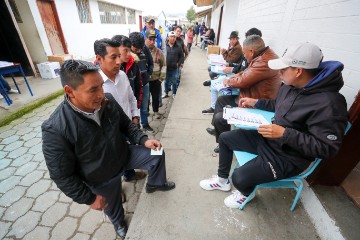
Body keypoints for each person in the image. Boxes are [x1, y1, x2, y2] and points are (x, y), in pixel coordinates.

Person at [200, 42, 348, 209]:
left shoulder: (330, 104)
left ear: (298, 71)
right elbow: (279, 105)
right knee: (225, 138)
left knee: (240, 178)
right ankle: (222, 180)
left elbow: (326, 148)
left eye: (283, 69)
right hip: (270, 138)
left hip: (289, 156)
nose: (279, 72)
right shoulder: (291, 86)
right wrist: (257, 103)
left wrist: (284, 134)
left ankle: (245, 193)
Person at [42, 59, 175, 239]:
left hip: (123, 154)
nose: (101, 94)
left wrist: (143, 140)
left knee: (157, 153)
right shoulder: (56, 128)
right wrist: (88, 198)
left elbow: (126, 125)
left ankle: (154, 184)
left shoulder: (108, 101)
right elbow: (61, 175)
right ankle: (119, 223)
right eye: (93, 90)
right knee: (113, 206)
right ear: (69, 91)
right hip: (100, 176)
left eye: (101, 86)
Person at [208, 35, 281, 153]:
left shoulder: (264, 61)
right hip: (250, 97)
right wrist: (235, 77)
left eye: (245, 53)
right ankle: (220, 136)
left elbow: (243, 81)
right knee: (221, 101)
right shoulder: (262, 56)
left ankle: (225, 142)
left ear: (251, 52)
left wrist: (229, 81)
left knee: (219, 118)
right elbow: (246, 73)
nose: (244, 56)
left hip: (256, 104)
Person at [129, 32, 154, 133]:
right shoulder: (126, 54)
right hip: (133, 86)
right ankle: (136, 127)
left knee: (144, 107)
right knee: (134, 109)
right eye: (136, 49)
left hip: (145, 84)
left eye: (140, 48)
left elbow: (151, 62)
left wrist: (148, 73)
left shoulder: (144, 48)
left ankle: (145, 124)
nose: (139, 51)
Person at [112, 35, 142, 109]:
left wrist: (136, 106)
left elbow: (138, 85)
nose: (129, 54)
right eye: (125, 50)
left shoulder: (134, 65)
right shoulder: (107, 68)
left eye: (129, 50)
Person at [145, 29, 166, 119]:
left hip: (155, 80)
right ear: (146, 39)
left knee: (155, 98)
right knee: (145, 98)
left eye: (154, 39)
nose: (152, 41)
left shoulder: (159, 52)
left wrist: (161, 79)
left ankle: (156, 111)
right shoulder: (141, 51)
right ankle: (145, 112)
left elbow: (164, 65)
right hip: (145, 81)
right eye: (150, 39)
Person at [163, 31, 184, 99]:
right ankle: (166, 93)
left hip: (175, 68)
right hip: (166, 68)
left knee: (174, 81)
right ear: (168, 38)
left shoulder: (178, 46)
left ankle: (174, 93)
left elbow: (181, 56)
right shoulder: (165, 46)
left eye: (174, 37)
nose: (172, 38)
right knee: (166, 81)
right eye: (171, 37)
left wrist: (179, 63)